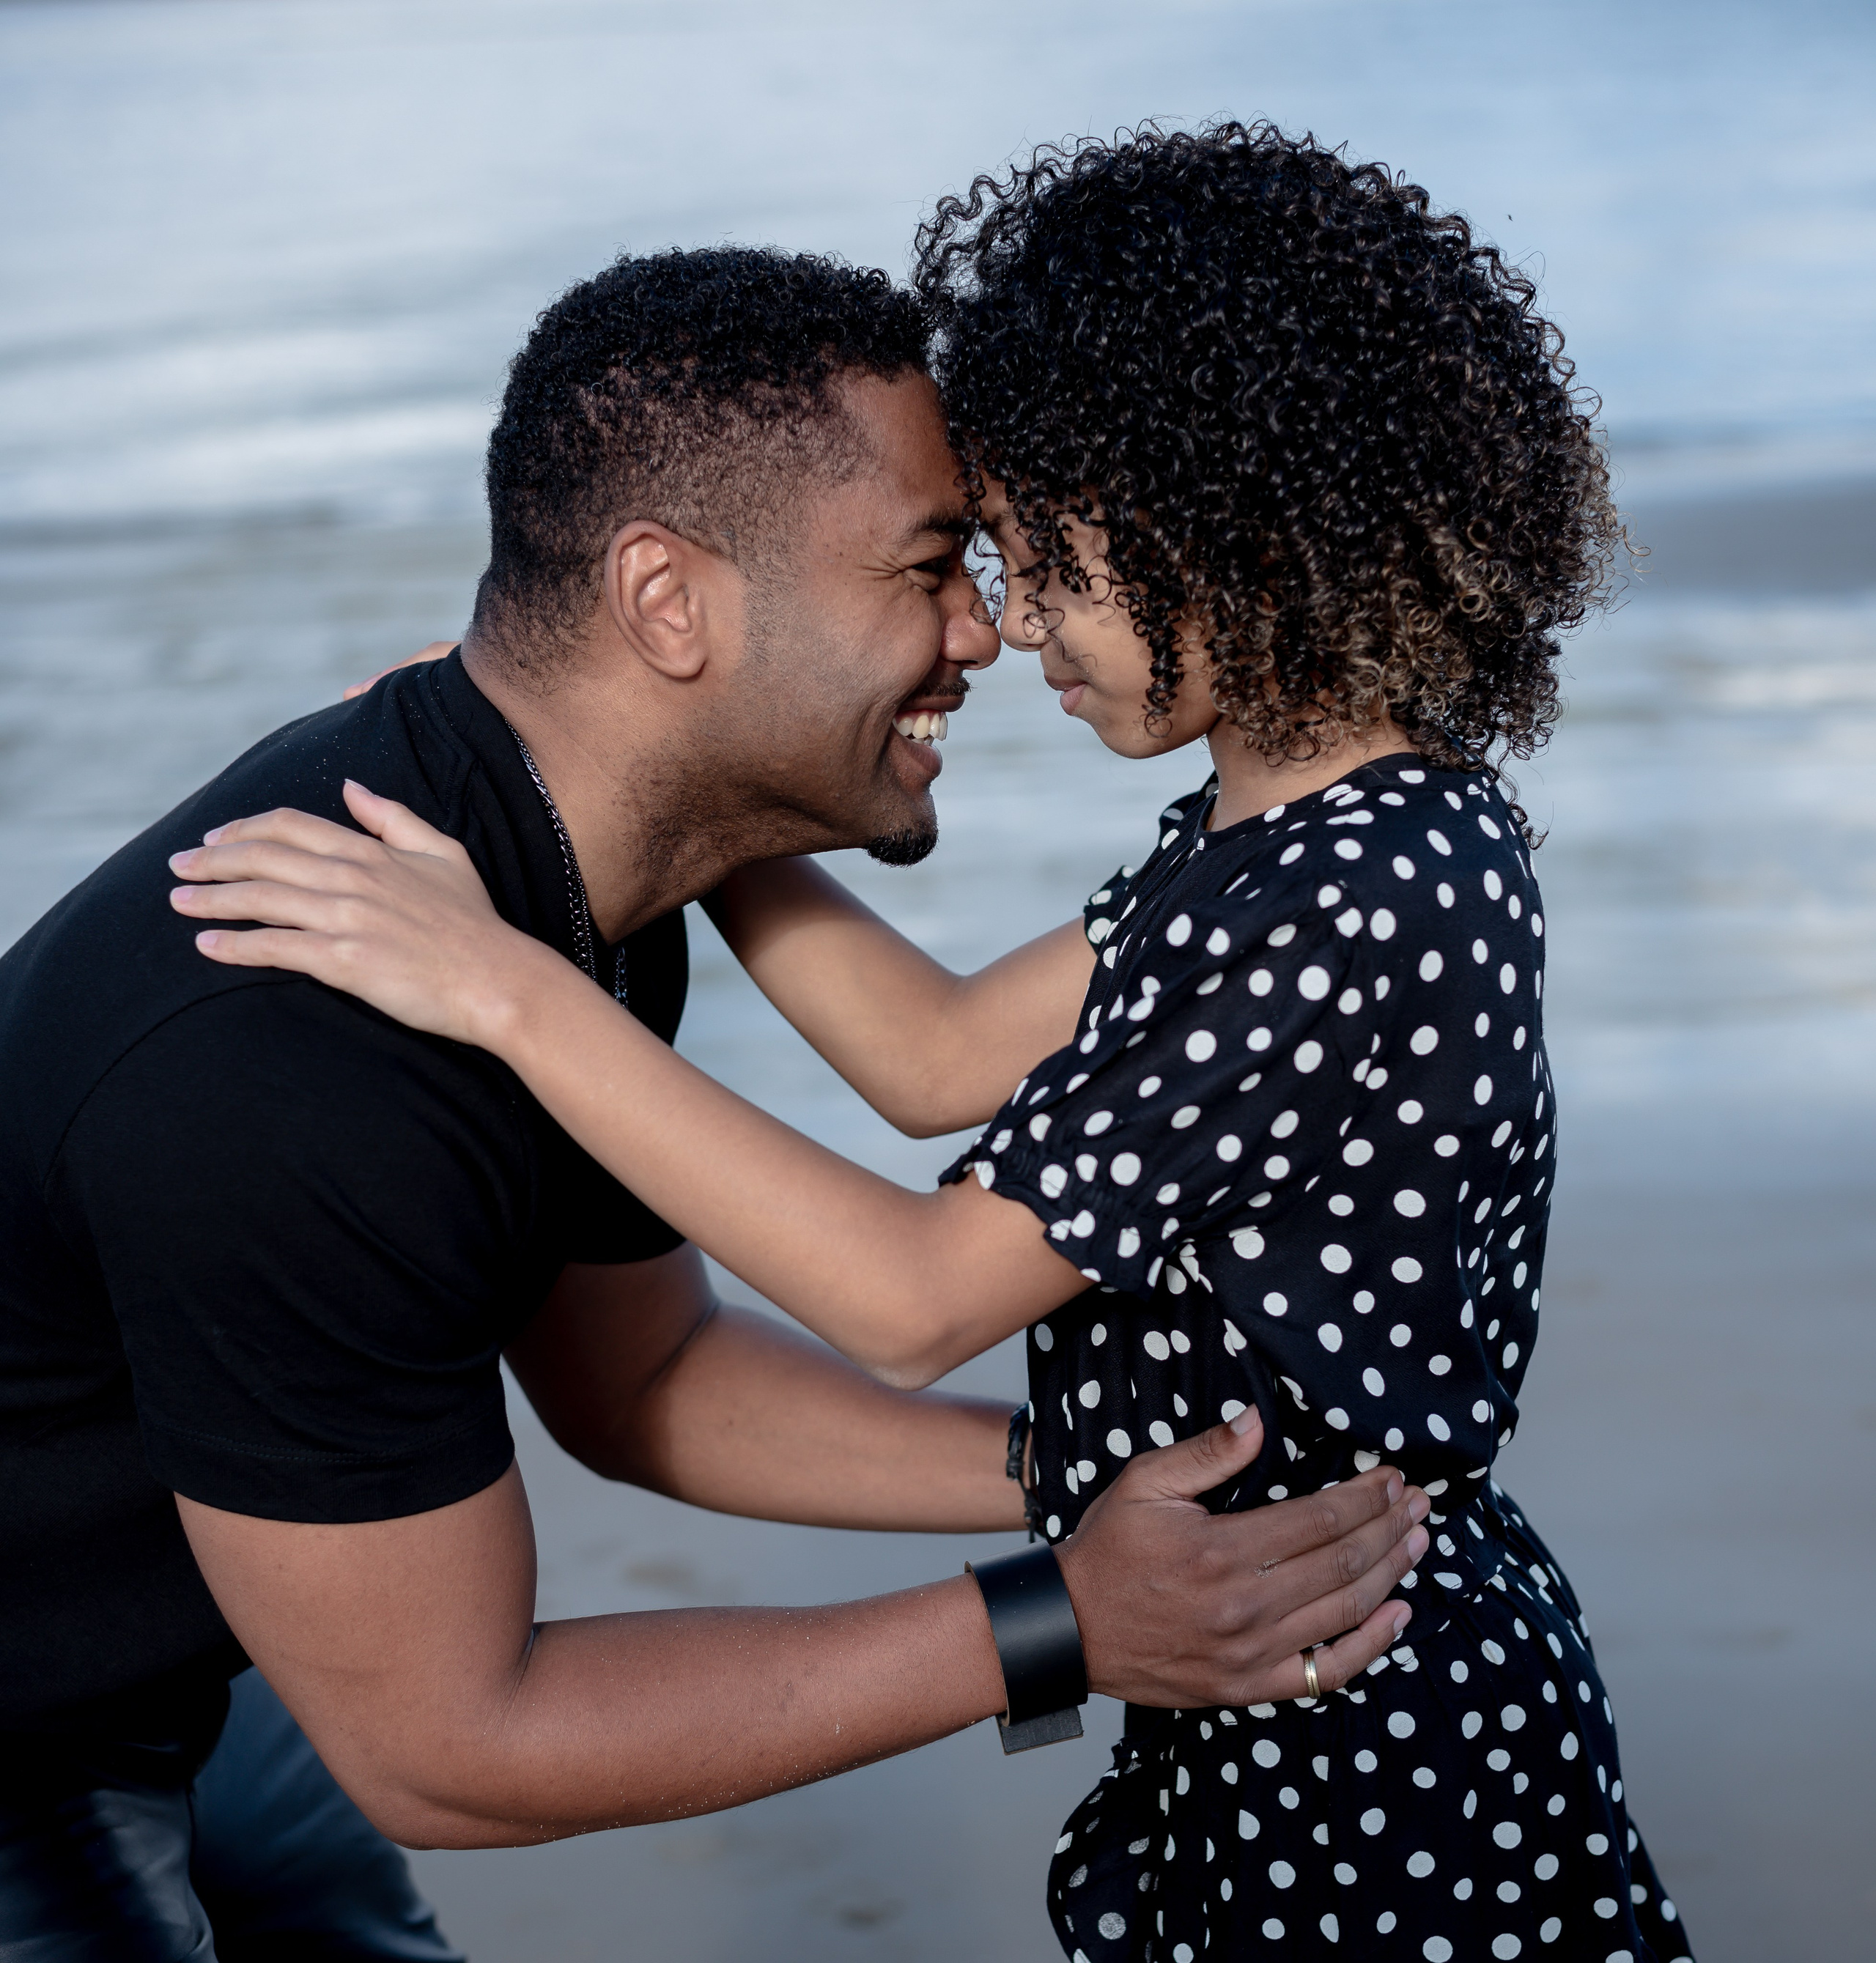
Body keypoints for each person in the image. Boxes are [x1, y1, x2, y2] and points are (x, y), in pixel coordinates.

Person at [176, 128, 1697, 1962]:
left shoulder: (1350, 890)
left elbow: (909, 1293)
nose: (1012, 622)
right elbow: (931, 1050)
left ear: (1230, 518)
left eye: (1049, 557)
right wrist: (642, 781)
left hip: (1364, 1700)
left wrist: (505, 983)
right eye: (985, 556)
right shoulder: (1290, 834)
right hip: (1282, 1646)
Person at [0, 245, 1431, 1959]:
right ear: (667, 602)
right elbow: (451, 1747)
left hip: (232, 1632)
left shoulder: (554, 889)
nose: (984, 629)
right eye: (929, 567)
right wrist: (1063, 1619)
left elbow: (648, 1380)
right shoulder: (297, 1055)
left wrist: (1106, 1481)